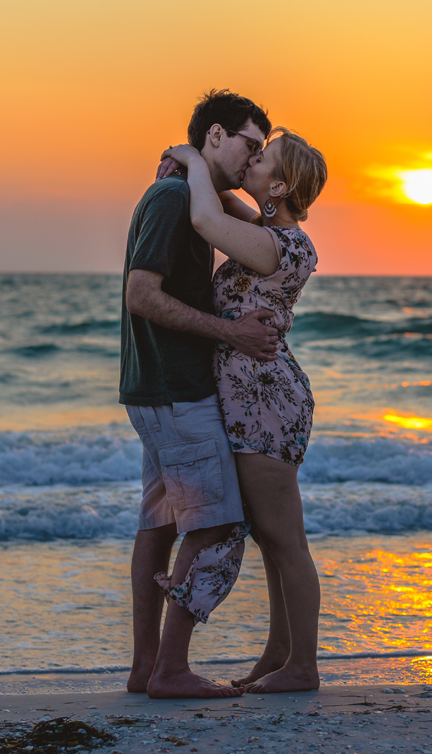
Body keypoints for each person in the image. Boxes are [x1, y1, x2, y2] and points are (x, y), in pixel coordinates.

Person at [120, 89, 279, 699]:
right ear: (216, 134)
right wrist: (232, 332)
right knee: (214, 526)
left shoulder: (189, 191)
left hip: (158, 389)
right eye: (248, 144)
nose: (253, 157)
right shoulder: (169, 198)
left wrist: (193, 164)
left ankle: (145, 669)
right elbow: (142, 294)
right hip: (175, 392)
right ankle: (170, 671)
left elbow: (262, 224)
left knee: (159, 525)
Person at [159, 126, 327, 693]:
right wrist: (200, 169)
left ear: (279, 185)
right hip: (253, 399)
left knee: (285, 540)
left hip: (265, 404)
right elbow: (224, 196)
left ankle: (303, 666)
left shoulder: (278, 245)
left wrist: (186, 154)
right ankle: (279, 655)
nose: (250, 161)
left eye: (263, 158)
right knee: (270, 538)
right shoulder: (264, 229)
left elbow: (208, 218)